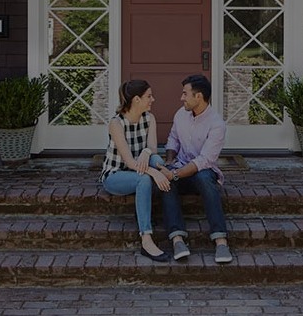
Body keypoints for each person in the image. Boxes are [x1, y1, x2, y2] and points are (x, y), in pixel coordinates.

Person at [158, 74, 232, 263]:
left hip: (202, 171)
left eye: (185, 94)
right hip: (180, 167)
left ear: (198, 96)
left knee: (204, 179)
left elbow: (204, 160)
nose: (181, 98)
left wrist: (173, 174)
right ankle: (177, 239)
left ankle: (221, 241)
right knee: (167, 184)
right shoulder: (180, 114)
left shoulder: (217, 124)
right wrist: (169, 163)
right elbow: (172, 140)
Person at [99, 79, 172, 262]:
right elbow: (130, 162)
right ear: (137, 99)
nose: (153, 100)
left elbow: (153, 149)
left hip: (139, 169)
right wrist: (154, 172)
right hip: (116, 175)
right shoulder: (116, 123)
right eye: (149, 96)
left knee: (156, 159)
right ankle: (146, 239)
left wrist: (147, 153)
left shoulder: (149, 118)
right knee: (146, 179)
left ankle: (160, 187)